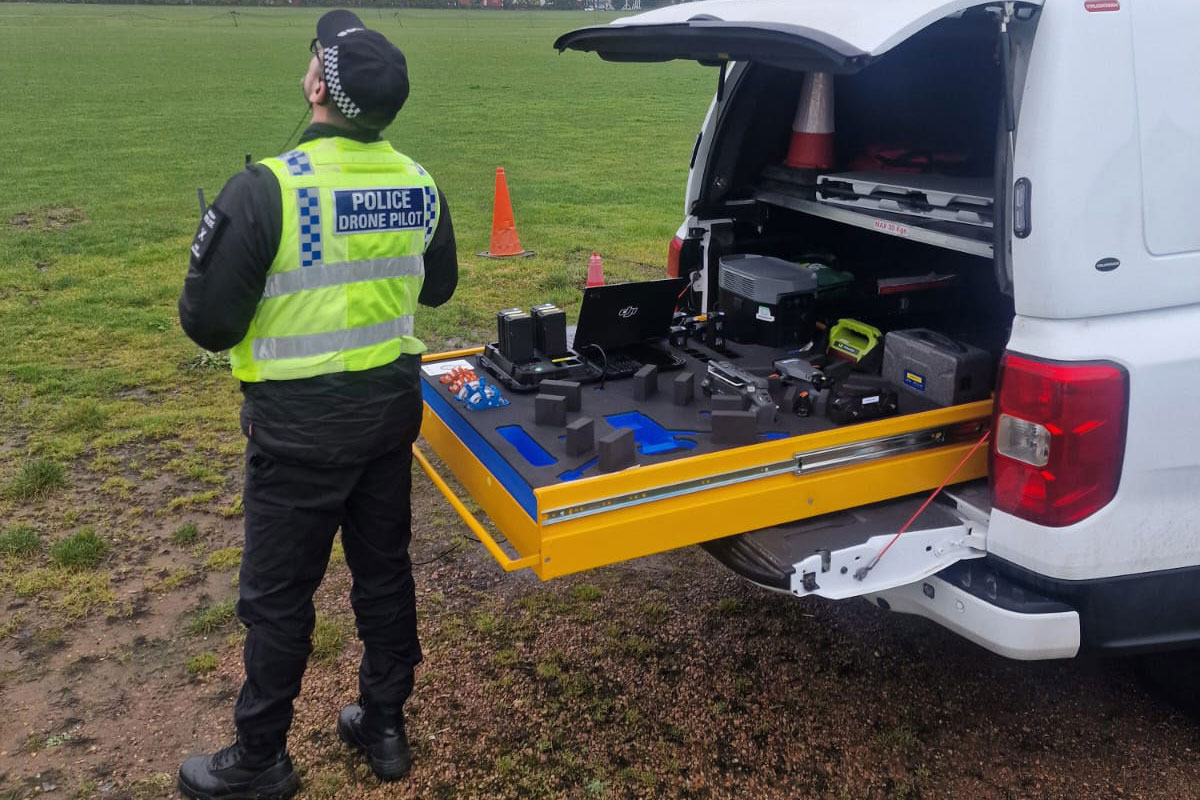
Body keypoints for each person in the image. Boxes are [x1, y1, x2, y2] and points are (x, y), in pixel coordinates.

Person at [176, 10, 457, 799]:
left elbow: (208, 323)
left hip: (297, 431)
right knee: (383, 574)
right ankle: (385, 723)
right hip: (388, 415)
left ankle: (260, 754)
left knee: (277, 598)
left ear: (314, 88)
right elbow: (438, 288)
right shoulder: (419, 182)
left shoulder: (266, 188)